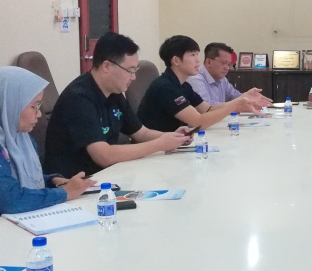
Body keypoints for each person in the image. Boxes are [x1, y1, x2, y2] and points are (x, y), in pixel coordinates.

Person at [0, 67, 95, 240]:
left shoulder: (18, 139)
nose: (39, 114)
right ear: (9, 105)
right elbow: (10, 199)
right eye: (34, 106)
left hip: (8, 231)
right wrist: (65, 193)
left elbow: (13, 176)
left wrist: (52, 181)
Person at [44, 32, 192, 178]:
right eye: (130, 70)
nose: (133, 77)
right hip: (75, 182)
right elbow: (104, 155)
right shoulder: (78, 98)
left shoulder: (114, 92)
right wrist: (160, 144)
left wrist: (173, 137)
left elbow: (141, 133)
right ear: (107, 66)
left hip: (107, 174)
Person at [137, 35, 271, 132]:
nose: (198, 60)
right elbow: (199, 122)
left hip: (171, 144)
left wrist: (243, 98)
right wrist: (236, 104)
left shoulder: (183, 85)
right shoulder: (166, 87)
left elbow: (208, 109)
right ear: (176, 60)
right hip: (154, 150)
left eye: (197, 54)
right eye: (192, 55)